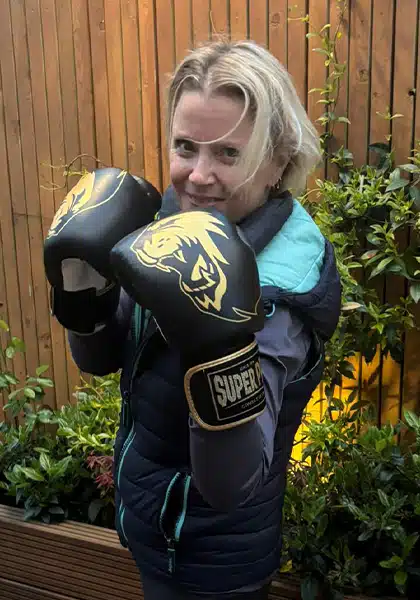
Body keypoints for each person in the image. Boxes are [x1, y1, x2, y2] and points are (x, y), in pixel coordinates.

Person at [43, 40, 341, 599]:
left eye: (228, 153)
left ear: (278, 161)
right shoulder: (177, 223)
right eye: (185, 147)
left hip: (209, 564)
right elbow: (103, 360)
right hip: (157, 528)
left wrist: (218, 347)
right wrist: (82, 288)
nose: (199, 176)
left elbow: (230, 484)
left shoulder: (276, 296)